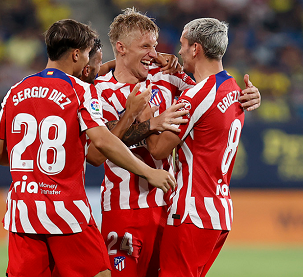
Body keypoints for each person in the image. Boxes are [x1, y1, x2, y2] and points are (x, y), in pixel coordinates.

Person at [0, 19, 175, 277]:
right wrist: (148, 172)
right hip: (65, 211)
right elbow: (102, 142)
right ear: (76, 54)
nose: (90, 62)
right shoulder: (80, 91)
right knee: (100, 273)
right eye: (87, 54)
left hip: (23, 212)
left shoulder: (15, 91)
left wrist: (33, 161)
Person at [89, 9, 261, 277]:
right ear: (121, 48)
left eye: (155, 46)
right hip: (124, 209)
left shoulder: (167, 77)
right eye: (145, 46)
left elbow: (211, 93)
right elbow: (96, 153)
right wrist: (143, 120)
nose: (154, 53)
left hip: (168, 206)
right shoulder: (99, 92)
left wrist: (248, 96)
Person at [145, 17, 244, 277]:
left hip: (192, 210)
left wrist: (144, 114)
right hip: (219, 211)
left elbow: (157, 150)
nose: (178, 51)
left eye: (182, 44)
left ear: (195, 49)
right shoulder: (235, 90)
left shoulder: (197, 95)